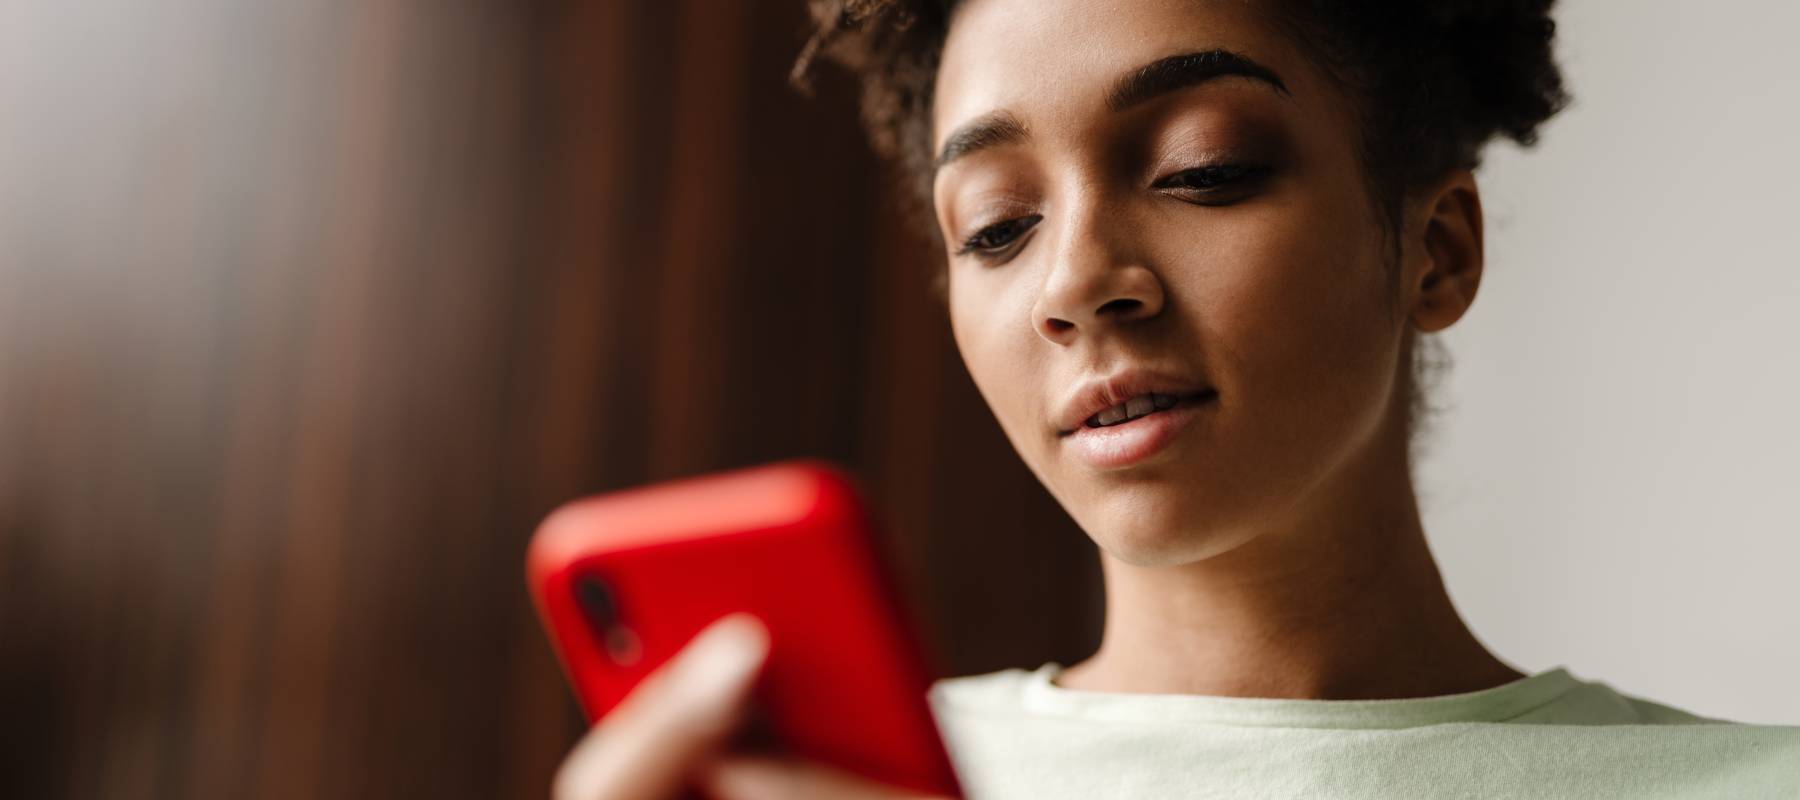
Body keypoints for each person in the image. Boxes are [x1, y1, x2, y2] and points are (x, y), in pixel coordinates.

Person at [551, 1, 1800, 797]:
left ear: (1437, 249)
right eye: (997, 228)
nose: (1078, 281)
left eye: (1206, 168)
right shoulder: (823, 780)